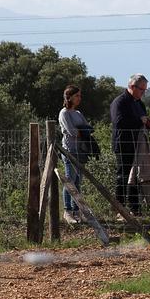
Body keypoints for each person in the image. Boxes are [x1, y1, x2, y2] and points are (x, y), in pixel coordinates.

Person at [110, 74, 150, 213]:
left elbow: (142, 121)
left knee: (135, 176)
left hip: (138, 145)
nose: (143, 92)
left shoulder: (139, 103)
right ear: (133, 87)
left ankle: (135, 209)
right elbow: (119, 122)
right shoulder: (119, 102)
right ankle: (119, 209)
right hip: (124, 145)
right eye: (142, 89)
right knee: (123, 176)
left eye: (145, 90)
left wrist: (148, 123)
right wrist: (140, 121)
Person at [57, 84, 91, 219]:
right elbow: (72, 132)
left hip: (81, 151)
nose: (79, 98)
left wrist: (82, 131)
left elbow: (88, 128)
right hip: (69, 151)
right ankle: (68, 211)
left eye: (80, 96)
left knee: (77, 182)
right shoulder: (64, 113)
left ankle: (77, 211)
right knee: (69, 180)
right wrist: (82, 131)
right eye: (77, 96)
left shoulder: (78, 113)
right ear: (69, 97)